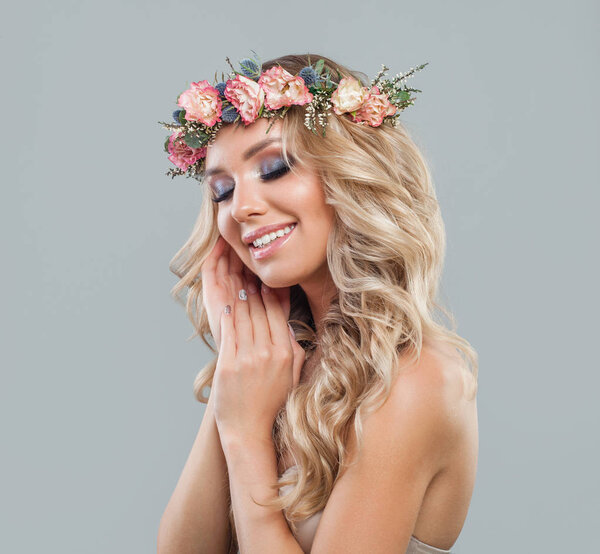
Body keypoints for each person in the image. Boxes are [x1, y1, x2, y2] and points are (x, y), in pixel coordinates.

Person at [157, 53, 479, 554]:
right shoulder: (270, 362)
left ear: (350, 175)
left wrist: (245, 438)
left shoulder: (415, 381)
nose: (241, 207)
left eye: (274, 167)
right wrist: (234, 364)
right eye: (222, 189)